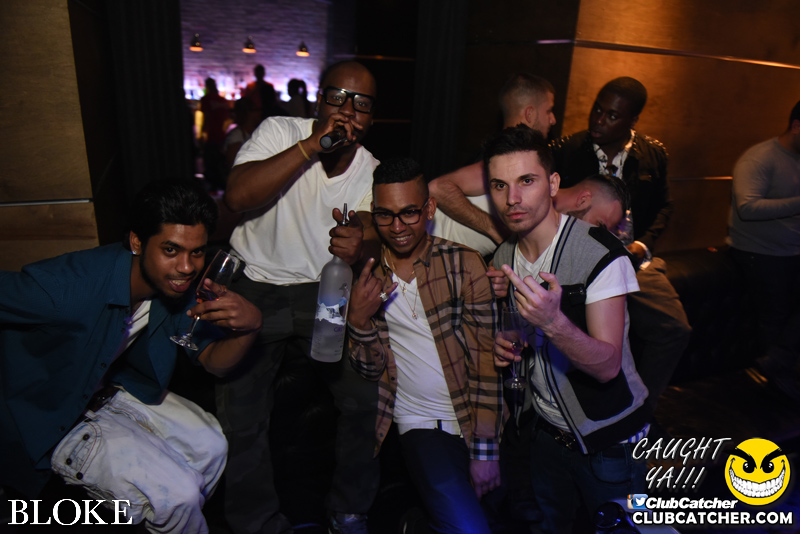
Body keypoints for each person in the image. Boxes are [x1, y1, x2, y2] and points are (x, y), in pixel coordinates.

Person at [0, 180, 262, 533]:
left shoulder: (176, 288)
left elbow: (214, 362)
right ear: (137, 242)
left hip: (107, 389)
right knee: (177, 497)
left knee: (212, 446)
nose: (186, 267)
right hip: (48, 415)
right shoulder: (66, 289)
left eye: (197, 252)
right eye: (171, 250)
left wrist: (249, 327)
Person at [219, 60, 381, 534]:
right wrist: (311, 147)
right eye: (338, 97)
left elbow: (371, 230)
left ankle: (349, 510)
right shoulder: (279, 131)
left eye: (361, 104)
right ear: (319, 100)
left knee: (363, 398)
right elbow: (237, 196)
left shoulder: (371, 169)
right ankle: (256, 523)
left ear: (371, 118)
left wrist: (361, 242)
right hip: (255, 283)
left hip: (323, 293)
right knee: (241, 412)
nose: (347, 110)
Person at [485, 125, 649, 533]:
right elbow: (523, 337)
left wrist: (553, 323)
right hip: (547, 433)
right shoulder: (504, 254)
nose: (512, 198)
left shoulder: (601, 253)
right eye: (500, 185)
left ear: (554, 184)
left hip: (610, 440)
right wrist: (508, 341)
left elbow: (607, 366)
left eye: (527, 181)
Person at [346, 158, 502, 533]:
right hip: (420, 423)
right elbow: (369, 370)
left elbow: (486, 362)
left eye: (409, 213)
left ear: (429, 209)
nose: (397, 227)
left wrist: (485, 452)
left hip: (476, 418)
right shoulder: (365, 277)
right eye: (385, 215)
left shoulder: (464, 264)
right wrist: (359, 322)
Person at [553, 174, 691, 413]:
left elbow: (664, 205)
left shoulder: (650, 157)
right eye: (600, 226)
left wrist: (642, 245)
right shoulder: (536, 209)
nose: (602, 235)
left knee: (673, 328)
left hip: (635, 261)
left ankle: (641, 411)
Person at [428, 73, 556, 256]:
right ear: (530, 113)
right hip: (432, 257)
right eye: (548, 111)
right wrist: (497, 231)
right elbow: (438, 187)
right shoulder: (500, 158)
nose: (553, 119)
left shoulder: (498, 155)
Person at [551, 77, 672, 265]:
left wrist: (643, 244)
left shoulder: (653, 154)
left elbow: (663, 206)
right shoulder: (565, 150)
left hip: (631, 261)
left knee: (661, 284)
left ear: (633, 121)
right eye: (597, 109)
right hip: (575, 258)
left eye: (612, 116)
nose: (598, 120)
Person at [728, 98, 800, 403]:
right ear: (796, 126)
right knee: (775, 313)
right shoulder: (760, 158)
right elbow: (747, 208)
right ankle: (777, 379)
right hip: (759, 250)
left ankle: (777, 361)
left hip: (792, 249)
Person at [200, 78, 233, 191]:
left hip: (211, 137)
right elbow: (228, 120)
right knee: (220, 166)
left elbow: (206, 119)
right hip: (223, 138)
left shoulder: (206, 99)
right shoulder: (223, 101)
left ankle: (212, 191)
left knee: (210, 166)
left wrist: (201, 135)